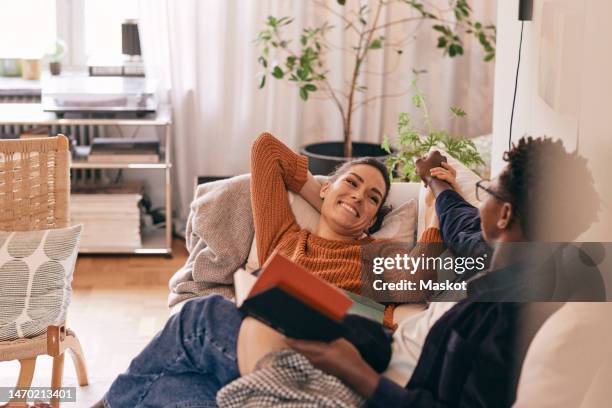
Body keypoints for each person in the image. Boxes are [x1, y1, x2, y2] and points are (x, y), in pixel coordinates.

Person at [98, 132, 443, 407]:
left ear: (372, 218)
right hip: (249, 351)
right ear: (326, 187)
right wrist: (323, 197)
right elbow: (266, 149)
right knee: (169, 387)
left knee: (199, 316)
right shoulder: (284, 235)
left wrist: (433, 209)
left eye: (372, 199)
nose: (358, 197)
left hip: (311, 360)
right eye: (351, 183)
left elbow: (416, 282)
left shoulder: (372, 256)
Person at [287, 136, 603, 407]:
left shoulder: (508, 321)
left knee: (247, 326)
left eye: (487, 191)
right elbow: (459, 216)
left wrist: (355, 371)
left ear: (505, 214)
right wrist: (434, 180)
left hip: (380, 384)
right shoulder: (492, 253)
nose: (479, 205)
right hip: (383, 347)